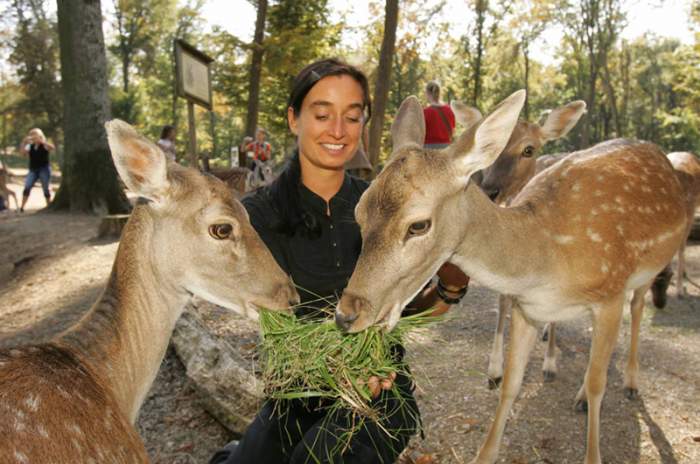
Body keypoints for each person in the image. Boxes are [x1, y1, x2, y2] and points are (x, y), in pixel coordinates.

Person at [209, 58, 469, 464]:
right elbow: (270, 329)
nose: (337, 131)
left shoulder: (384, 207)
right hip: (296, 392)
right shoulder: (257, 218)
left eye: (352, 117)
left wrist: (451, 287)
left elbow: (410, 309)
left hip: (380, 388)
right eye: (322, 114)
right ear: (294, 119)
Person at [19, 128, 55, 212]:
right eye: (32, 135)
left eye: (35, 135)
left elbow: (52, 148)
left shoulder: (44, 145)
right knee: (27, 186)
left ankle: (48, 206)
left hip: (44, 169)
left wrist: (42, 141)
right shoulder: (30, 146)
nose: (33, 137)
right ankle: (22, 207)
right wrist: (23, 142)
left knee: (45, 188)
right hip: (33, 169)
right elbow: (22, 153)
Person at [423, 81, 455, 149]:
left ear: (428, 93)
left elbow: (421, 134)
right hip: (446, 149)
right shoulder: (449, 110)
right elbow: (453, 131)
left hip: (429, 149)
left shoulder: (425, 112)